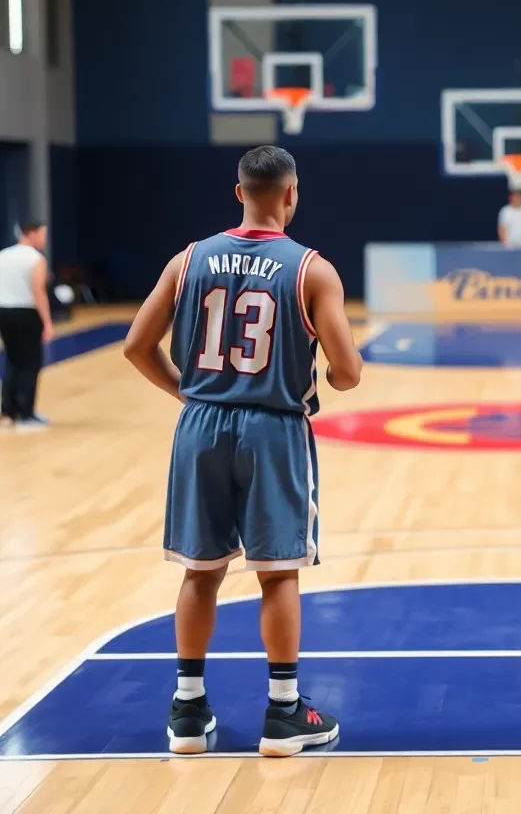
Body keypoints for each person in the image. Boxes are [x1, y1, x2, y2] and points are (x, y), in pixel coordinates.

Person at [123, 145, 363, 757]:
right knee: (277, 570)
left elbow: (135, 346)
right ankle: (283, 714)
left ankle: (187, 711)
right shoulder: (312, 270)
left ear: (238, 193)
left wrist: (194, 393)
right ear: (291, 194)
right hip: (274, 428)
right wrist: (328, 377)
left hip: (201, 423)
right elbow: (348, 372)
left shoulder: (189, 260)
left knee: (200, 571)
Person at [0, 220, 53, 431]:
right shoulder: (35, 258)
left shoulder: (3, 255)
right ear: (30, 234)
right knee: (30, 362)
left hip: (3, 312)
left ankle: (7, 411)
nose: (44, 238)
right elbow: (38, 290)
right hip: (26, 313)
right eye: (42, 234)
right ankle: (25, 414)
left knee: (13, 360)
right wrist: (47, 321)